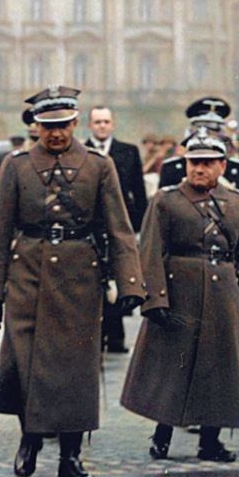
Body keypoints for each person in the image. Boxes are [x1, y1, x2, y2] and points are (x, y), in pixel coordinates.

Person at [0, 85, 144, 477]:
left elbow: (119, 229)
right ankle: (30, 439)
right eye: (47, 126)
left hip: (79, 276)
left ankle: (71, 456)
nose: (55, 134)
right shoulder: (15, 167)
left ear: (75, 122)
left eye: (63, 125)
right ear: (36, 126)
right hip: (28, 273)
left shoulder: (99, 167)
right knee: (25, 364)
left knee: (77, 372)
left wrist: (130, 284)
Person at [120, 129, 239, 462]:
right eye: (193, 162)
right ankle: (162, 434)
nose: (199, 169)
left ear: (222, 166)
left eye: (207, 163)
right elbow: (151, 250)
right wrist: (155, 299)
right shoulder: (167, 200)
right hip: (180, 289)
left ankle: (210, 441)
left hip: (223, 291)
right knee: (173, 367)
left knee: (220, 367)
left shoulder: (238, 202)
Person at [86, 104, 148, 354]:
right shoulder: (82, 152)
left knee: (118, 279)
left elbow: (138, 191)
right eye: (97, 122)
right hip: (90, 226)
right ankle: (94, 335)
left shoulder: (128, 152)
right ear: (90, 125)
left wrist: (140, 227)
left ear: (113, 124)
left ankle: (116, 337)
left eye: (106, 122)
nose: (102, 126)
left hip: (120, 226)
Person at [156, 98, 239, 191]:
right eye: (200, 129)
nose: (205, 135)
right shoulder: (172, 168)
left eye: (214, 130)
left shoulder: (237, 169)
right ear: (190, 132)